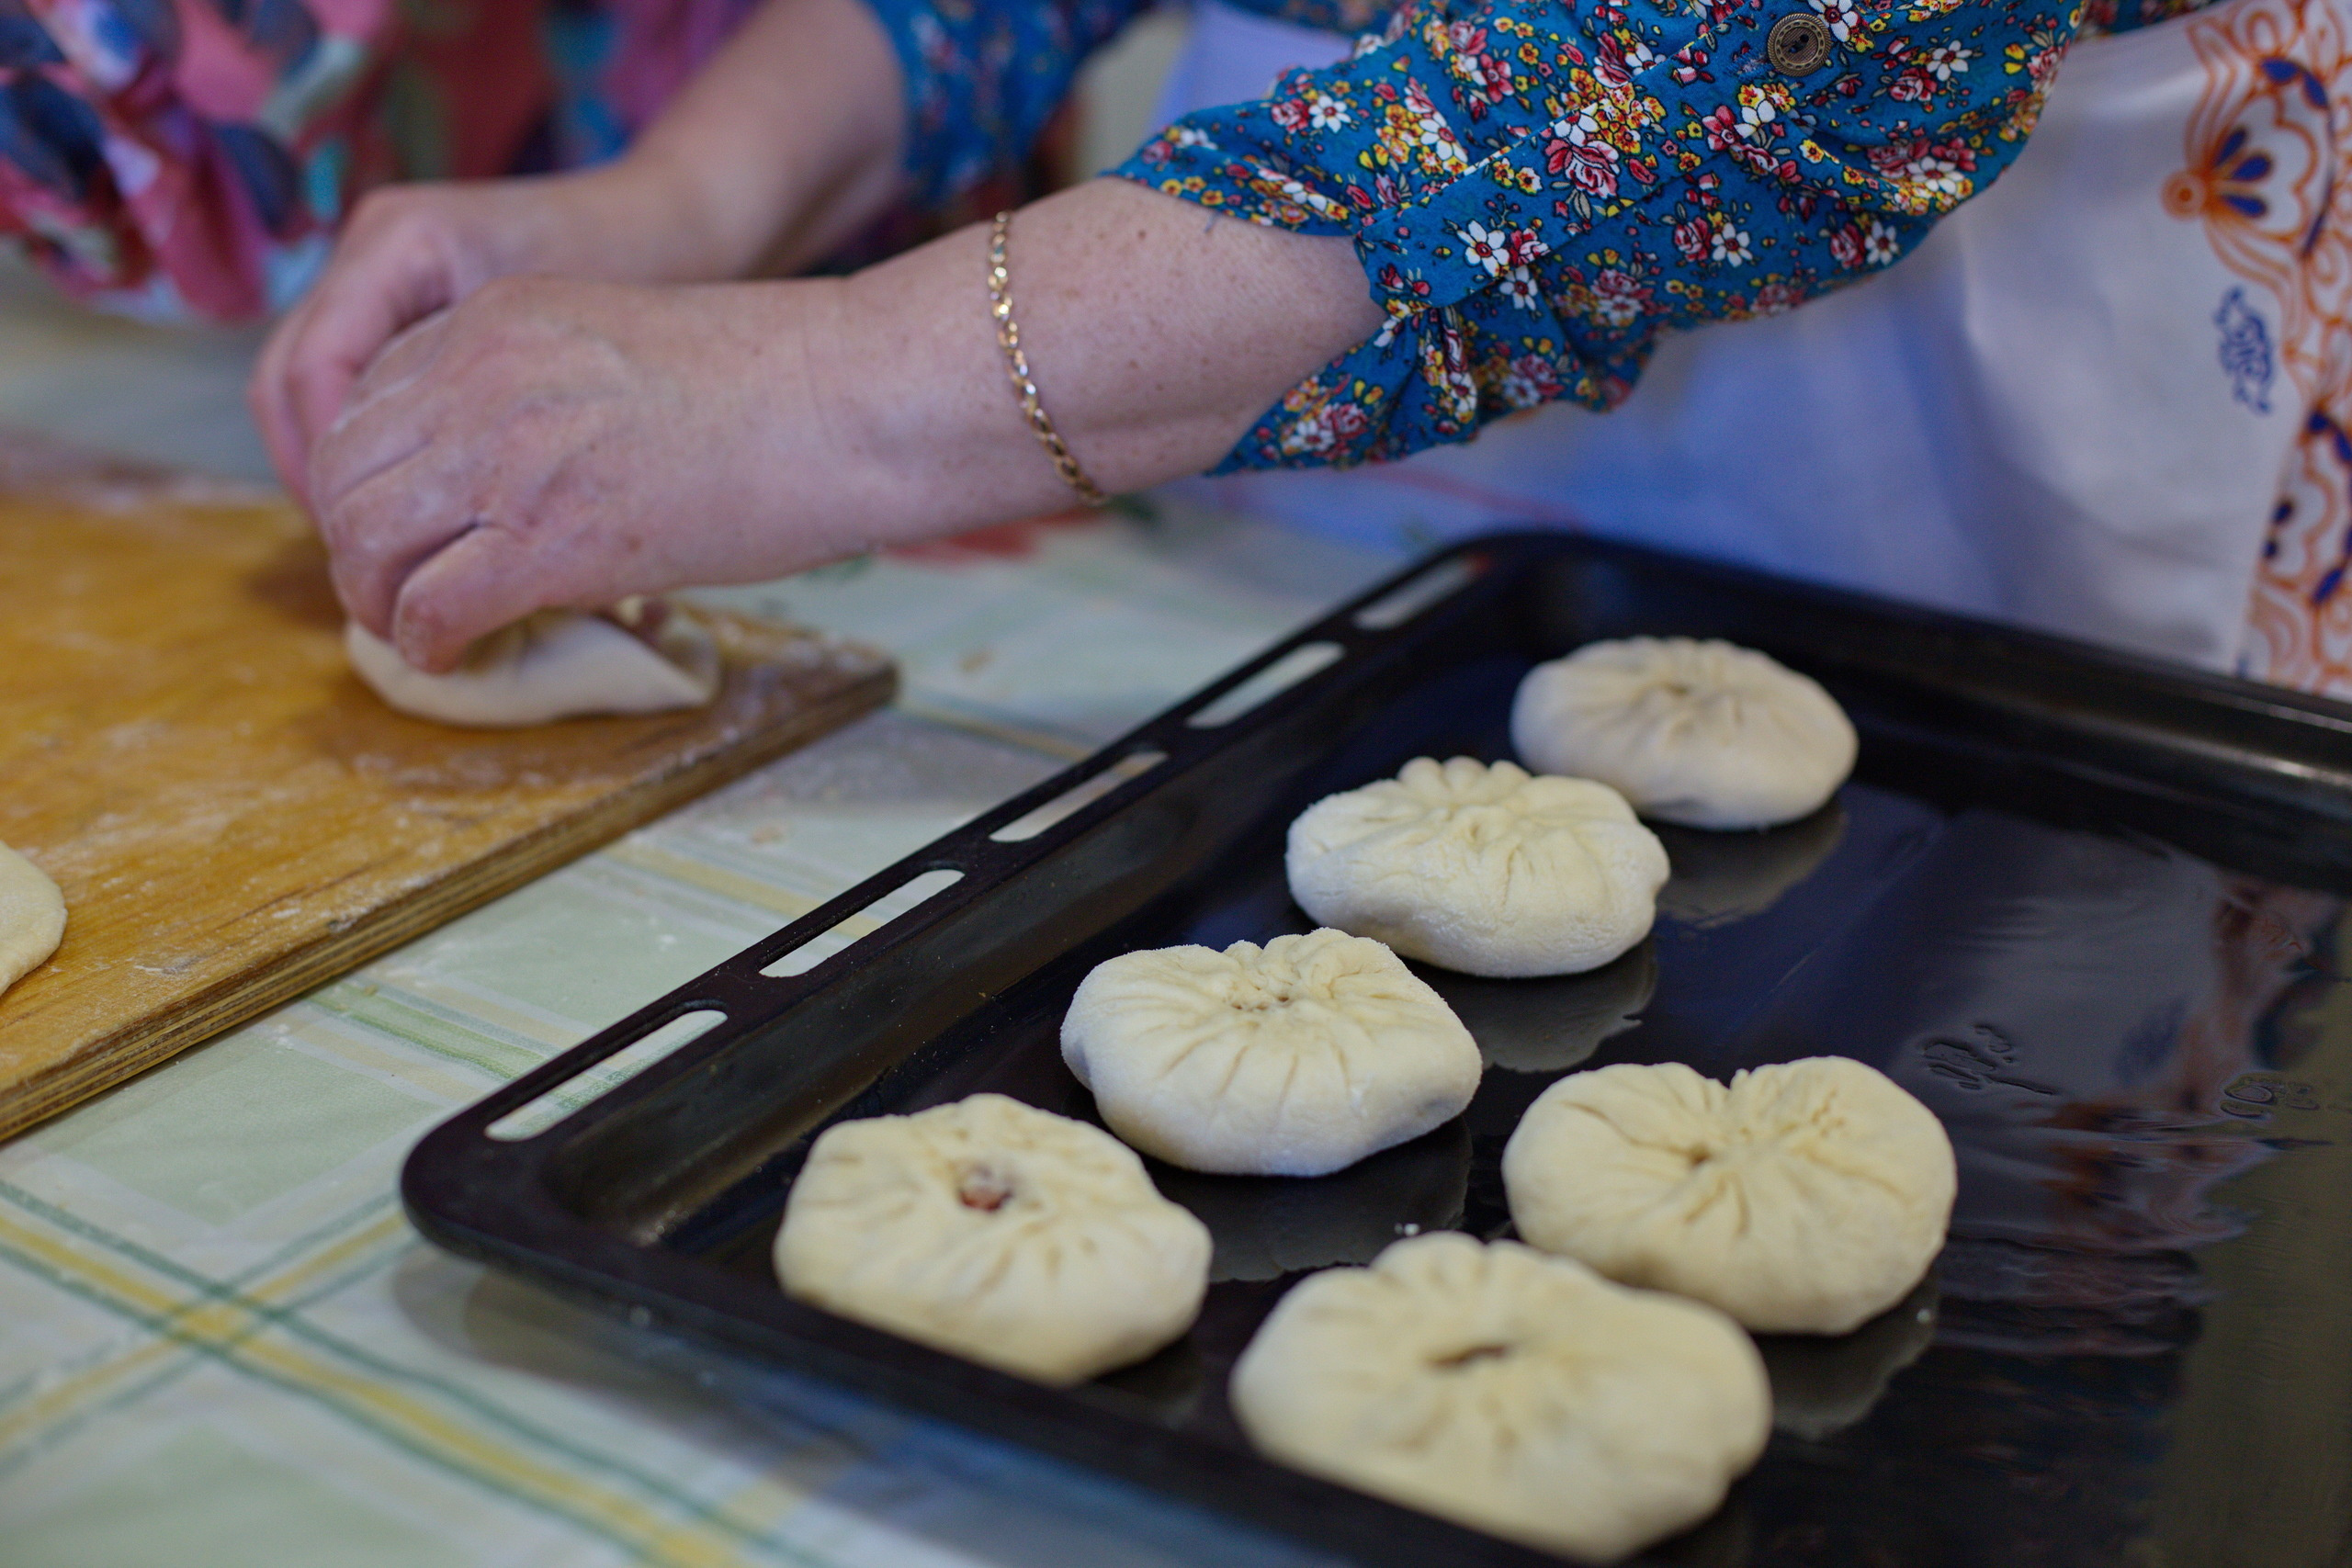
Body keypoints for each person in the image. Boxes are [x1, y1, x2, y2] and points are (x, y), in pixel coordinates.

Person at [56, 0, 2352, 691]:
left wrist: (820, 384)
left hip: (1991, 591)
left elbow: (1742, 78)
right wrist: (675, 211)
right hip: (1291, 560)